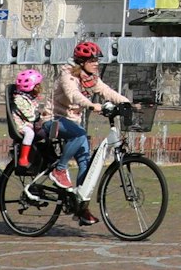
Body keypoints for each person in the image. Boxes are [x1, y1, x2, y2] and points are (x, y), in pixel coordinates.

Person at [46, 39, 127, 225]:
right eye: (92, 60)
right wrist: (91, 105)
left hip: (72, 123)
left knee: (86, 163)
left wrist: (127, 103)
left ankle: (80, 207)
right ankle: (59, 170)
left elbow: (106, 91)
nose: (96, 63)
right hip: (53, 120)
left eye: (97, 60)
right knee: (80, 134)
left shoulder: (91, 78)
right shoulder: (68, 75)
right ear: (81, 62)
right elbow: (73, 94)